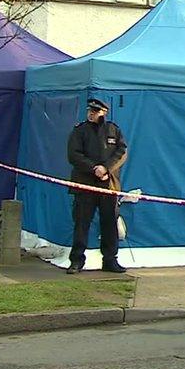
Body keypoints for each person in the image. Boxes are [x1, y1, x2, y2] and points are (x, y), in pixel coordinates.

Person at [66, 98, 128, 274]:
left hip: (108, 185)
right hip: (85, 184)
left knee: (109, 224)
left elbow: (121, 152)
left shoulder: (113, 130)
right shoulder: (80, 131)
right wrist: (94, 168)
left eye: (95, 112)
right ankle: (77, 260)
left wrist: (106, 168)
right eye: (89, 111)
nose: (91, 114)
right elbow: (73, 155)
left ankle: (110, 260)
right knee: (81, 224)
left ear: (104, 113)